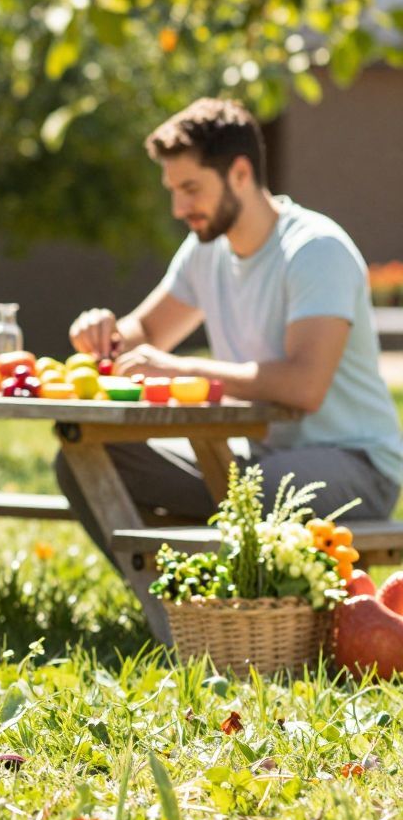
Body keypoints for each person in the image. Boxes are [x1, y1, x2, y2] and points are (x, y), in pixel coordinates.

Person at [57, 98, 403, 557]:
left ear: (240, 173)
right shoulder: (207, 250)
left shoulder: (315, 251)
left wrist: (181, 371)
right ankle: (169, 605)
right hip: (258, 456)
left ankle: (207, 604)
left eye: (191, 188)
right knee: (83, 461)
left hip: (355, 463)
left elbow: (304, 386)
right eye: (172, 190)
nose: (179, 207)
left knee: (242, 494)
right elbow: (144, 332)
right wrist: (103, 332)